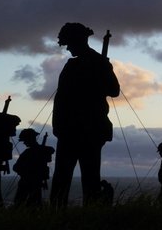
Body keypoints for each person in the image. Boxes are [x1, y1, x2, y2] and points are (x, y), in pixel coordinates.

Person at [50, 23, 120, 207]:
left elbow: (114, 90)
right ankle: (56, 215)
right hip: (67, 130)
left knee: (90, 178)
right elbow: (62, 97)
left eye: (69, 43)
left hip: (90, 130)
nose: (67, 48)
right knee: (61, 178)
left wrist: (97, 80)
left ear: (78, 41)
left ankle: (91, 214)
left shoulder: (99, 63)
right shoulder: (72, 65)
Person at [13, 128, 54, 207]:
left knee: (21, 202)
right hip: (35, 181)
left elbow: (16, 167)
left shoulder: (28, 153)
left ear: (29, 139)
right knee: (34, 202)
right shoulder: (40, 150)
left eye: (25, 140)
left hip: (28, 181)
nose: (24, 143)